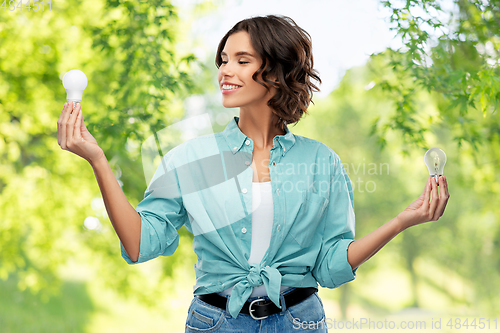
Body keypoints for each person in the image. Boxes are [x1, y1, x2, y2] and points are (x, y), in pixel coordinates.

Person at [57, 14, 450, 333]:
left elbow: (330, 267)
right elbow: (140, 244)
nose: (226, 70)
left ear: (276, 72)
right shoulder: (192, 160)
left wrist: (402, 220)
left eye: (242, 60)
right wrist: (98, 160)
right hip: (215, 323)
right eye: (224, 59)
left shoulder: (321, 162)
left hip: (301, 322)